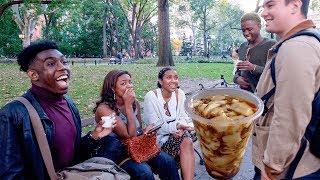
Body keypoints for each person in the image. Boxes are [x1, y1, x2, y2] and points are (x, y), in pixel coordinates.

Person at [0, 41, 114, 179]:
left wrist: (94, 137)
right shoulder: (13, 113)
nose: (63, 67)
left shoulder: (69, 103)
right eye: (51, 64)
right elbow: (10, 174)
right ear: (33, 75)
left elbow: (74, 155)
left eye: (63, 61)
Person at [253, 0, 320, 179]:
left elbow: (290, 116)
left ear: (294, 5)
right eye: (263, 7)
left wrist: (272, 167)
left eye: (270, 5)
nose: (263, 12)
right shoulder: (304, 41)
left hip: (290, 169)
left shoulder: (296, 48)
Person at [93, 70, 180, 180]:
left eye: (130, 82)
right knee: (144, 172)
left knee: (167, 161)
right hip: (118, 155)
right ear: (112, 88)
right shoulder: (104, 110)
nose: (129, 86)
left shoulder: (135, 104)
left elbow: (137, 132)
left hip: (138, 148)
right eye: (123, 83)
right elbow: (129, 136)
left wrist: (146, 131)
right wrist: (128, 105)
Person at [143, 67, 195, 180]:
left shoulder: (179, 94)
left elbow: (184, 117)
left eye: (176, 77)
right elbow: (155, 127)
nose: (173, 81)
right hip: (157, 142)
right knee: (187, 141)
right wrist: (176, 127)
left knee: (187, 140)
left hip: (179, 135)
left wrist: (181, 128)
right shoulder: (151, 97)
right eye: (168, 77)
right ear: (160, 81)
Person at [233, 13, 276, 92]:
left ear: (259, 26)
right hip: (244, 95)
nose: (246, 33)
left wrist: (254, 68)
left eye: (249, 29)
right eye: (243, 30)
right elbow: (238, 70)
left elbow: (276, 73)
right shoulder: (242, 46)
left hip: (263, 96)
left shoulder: (272, 45)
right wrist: (237, 78)